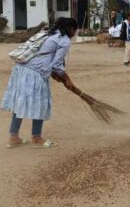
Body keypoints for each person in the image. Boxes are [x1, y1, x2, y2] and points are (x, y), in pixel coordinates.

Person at [1, 18, 78, 149]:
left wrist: (56, 75)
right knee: (40, 104)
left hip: (21, 70)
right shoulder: (64, 40)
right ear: (71, 29)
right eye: (76, 30)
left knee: (20, 102)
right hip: (34, 74)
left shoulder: (48, 33)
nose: (76, 32)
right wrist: (67, 79)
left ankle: (13, 138)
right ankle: (36, 138)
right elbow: (57, 65)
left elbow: (48, 60)